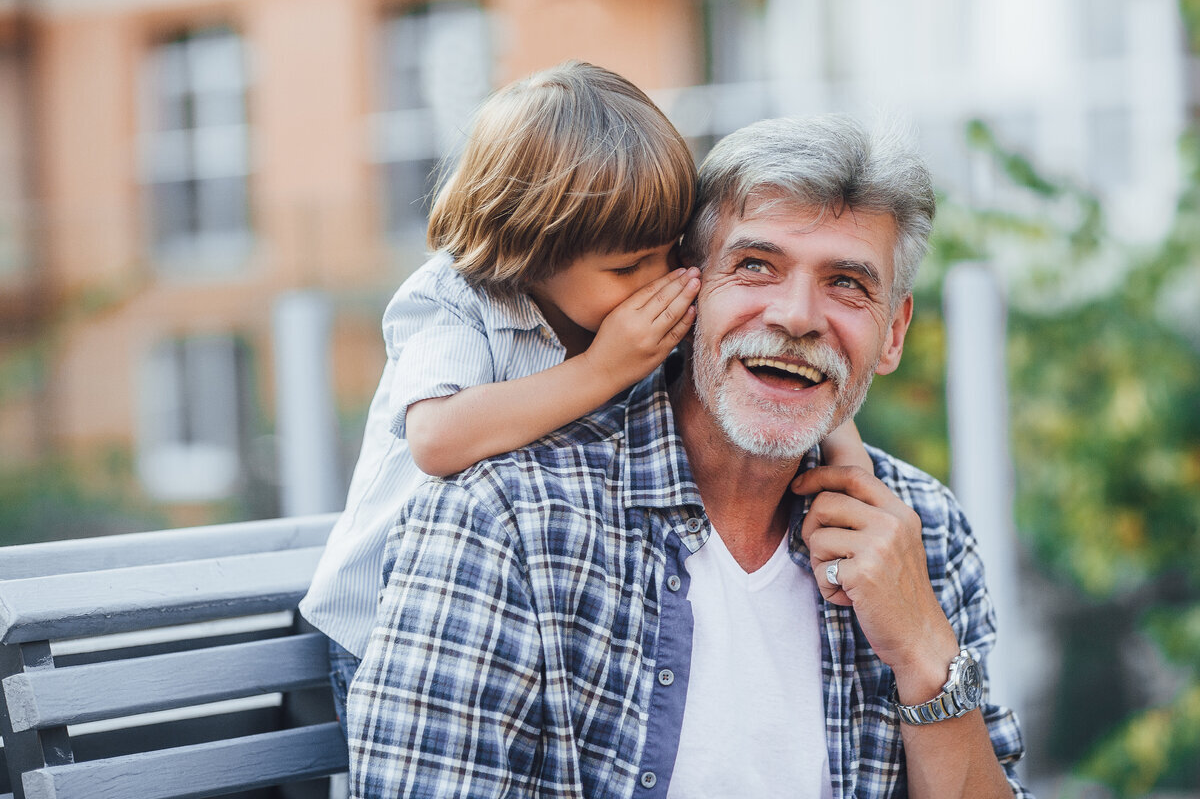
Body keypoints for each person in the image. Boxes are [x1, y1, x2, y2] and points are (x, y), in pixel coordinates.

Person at [347, 113, 1032, 798]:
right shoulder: (505, 520)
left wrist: (923, 653)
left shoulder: (925, 534)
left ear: (893, 333)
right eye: (756, 265)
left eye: (847, 283)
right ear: (683, 289)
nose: (797, 317)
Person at [300, 61, 873, 729]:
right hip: (388, 620)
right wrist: (604, 368)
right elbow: (437, 438)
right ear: (532, 249)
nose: (658, 281)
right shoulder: (454, 301)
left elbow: (766, 363)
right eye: (628, 267)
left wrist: (847, 461)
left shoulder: (626, 301)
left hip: (523, 608)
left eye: (669, 253)